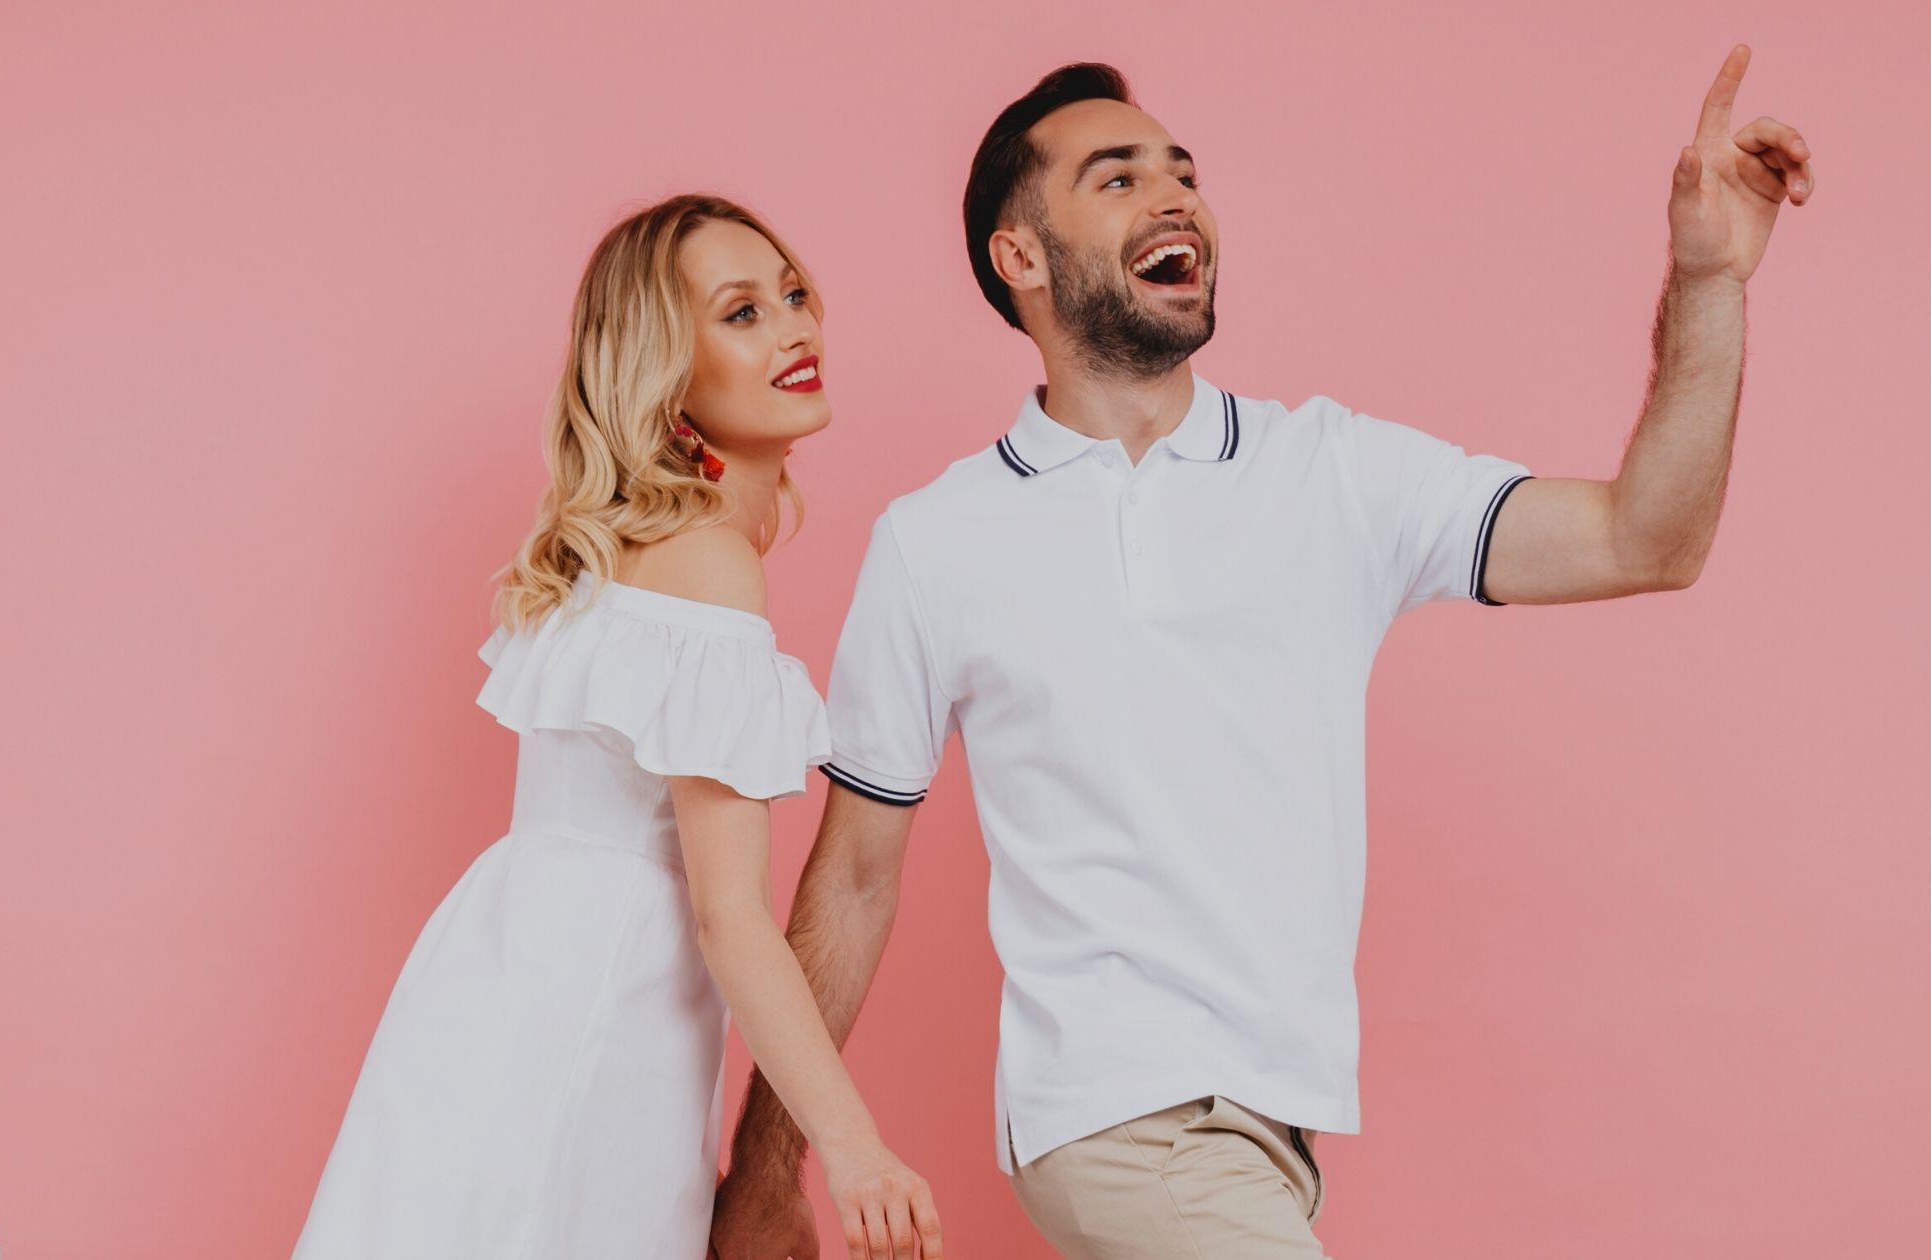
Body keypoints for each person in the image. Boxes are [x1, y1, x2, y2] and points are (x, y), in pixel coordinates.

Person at [712, 50, 1812, 1259]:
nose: (1173, 197)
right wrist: (764, 1177)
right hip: (1110, 1110)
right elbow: (851, 882)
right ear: (1018, 257)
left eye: (1182, 173)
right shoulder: (936, 541)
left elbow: (1643, 539)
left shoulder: (1330, 475)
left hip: (1271, 1132)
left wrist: (1707, 281)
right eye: (1116, 178)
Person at [290, 194, 943, 1259]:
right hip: (592, 1013)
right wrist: (852, 1146)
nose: (793, 329)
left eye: (792, 296)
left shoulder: (632, 551)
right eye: (740, 312)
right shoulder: (706, 561)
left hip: (511, 987)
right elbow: (730, 918)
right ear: (664, 367)